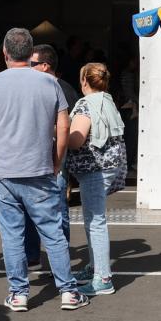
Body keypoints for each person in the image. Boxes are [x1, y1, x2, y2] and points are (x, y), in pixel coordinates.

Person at [0, 27, 86, 313]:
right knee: (53, 231)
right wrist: (56, 161)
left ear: (5, 53)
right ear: (30, 52)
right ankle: (68, 291)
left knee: (12, 234)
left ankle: (19, 293)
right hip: (39, 168)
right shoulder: (49, 83)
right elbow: (64, 126)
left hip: (3, 170)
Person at [65, 62, 127, 296]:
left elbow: (76, 140)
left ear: (84, 81)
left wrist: (58, 131)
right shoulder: (108, 101)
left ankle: (103, 278)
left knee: (95, 222)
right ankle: (95, 268)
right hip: (109, 167)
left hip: (94, 169)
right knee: (94, 220)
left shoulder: (85, 104)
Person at [26, 43, 75, 271]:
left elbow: (70, 126)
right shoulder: (37, 86)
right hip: (37, 154)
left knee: (56, 207)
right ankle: (33, 255)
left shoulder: (62, 89)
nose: (27, 67)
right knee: (32, 205)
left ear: (45, 66)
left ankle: (59, 257)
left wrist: (58, 158)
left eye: (32, 64)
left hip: (55, 154)